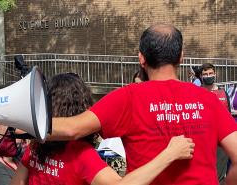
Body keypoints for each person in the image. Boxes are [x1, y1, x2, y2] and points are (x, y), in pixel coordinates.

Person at [50, 24, 237, 185]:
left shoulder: (127, 98)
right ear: (181, 57)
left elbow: (72, 128)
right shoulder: (208, 100)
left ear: (141, 58)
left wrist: (24, 123)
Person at [11, 73, 195, 185]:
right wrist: (169, 153)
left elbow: (17, 182)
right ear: (81, 107)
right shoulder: (81, 154)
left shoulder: (36, 147)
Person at [200, 62, 231, 183]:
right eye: (205, 74)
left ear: (215, 74)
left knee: (220, 175)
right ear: (201, 77)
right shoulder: (197, 93)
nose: (208, 76)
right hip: (203, 140)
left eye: (210, 73)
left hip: (221, 142)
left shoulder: (223, 93)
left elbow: (228, 118)